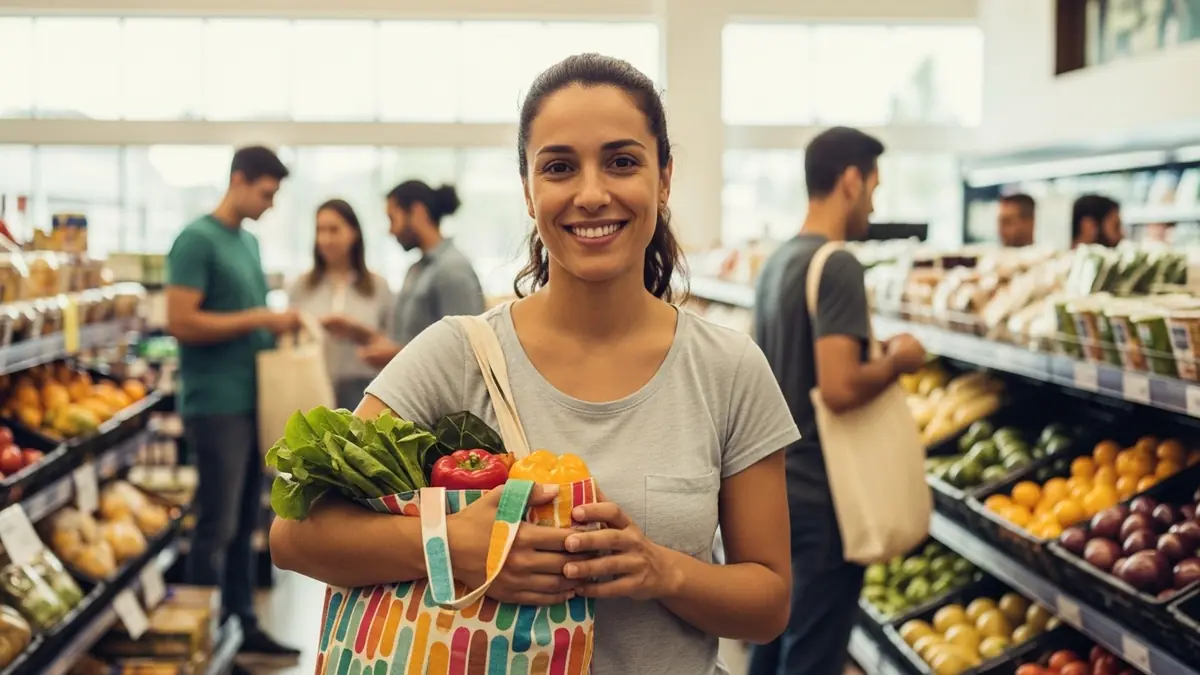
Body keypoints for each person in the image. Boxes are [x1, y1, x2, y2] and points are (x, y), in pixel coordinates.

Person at [270, 53, 799, 674]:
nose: (592, 193)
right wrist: (453, 545)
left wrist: (660, 570)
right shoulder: (458, 354)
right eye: (559, 167)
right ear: (528, 190)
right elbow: (294, 535)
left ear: (664, 179)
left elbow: (768, 603)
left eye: (622, 161)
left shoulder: (729, 368)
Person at [747, 127, 927, 675]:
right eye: (873, 187)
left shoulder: (777, 263)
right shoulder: (838, 263)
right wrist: (900, 359)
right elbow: (840, 387)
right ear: (851, 181)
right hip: (828, 494)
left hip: (780, 485)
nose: (874, 203)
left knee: (774, 644)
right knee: (813, 656)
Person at [165, 145, 302, 666]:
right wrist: (257, 320)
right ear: (239, 179)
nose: (269, 205)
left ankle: (242, 626)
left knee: (247, 521)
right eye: (266, 193)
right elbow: (181, 321)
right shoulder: (196, 240)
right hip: (215, 404)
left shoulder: (246, 242)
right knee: (217, 525)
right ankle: (198, 639)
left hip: (250, 401)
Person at [322, 180, 485, 369]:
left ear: (417, 212)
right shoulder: (416, 270)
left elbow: (464, 351)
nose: (391, 230)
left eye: (393, 219)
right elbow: (408, 339)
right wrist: (360, 333)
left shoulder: (452, 270)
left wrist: (397, 356)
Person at [288, 199, 392, 410]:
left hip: (366, 391)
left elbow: (393, 347)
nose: (325, 239)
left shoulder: (378, 286)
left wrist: (358, 331)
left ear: (353, 233)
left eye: (334, 230)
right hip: (312, 389)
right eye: (320, 230)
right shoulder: (301, 286)